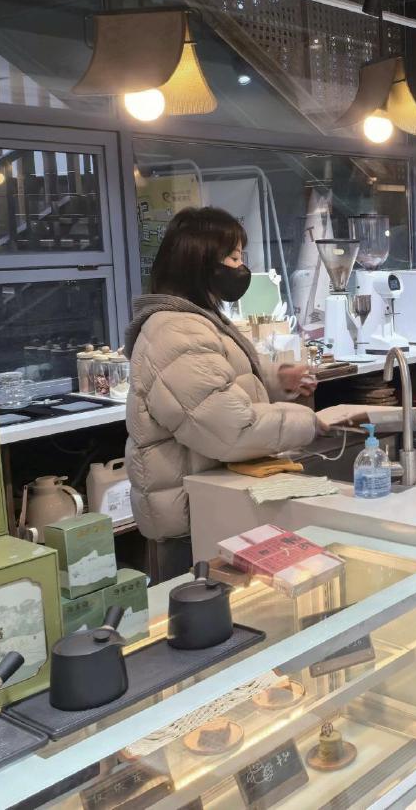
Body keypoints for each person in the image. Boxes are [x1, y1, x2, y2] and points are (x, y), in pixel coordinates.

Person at [125, 207, 321, 577]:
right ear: (200, 263)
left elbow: (219, 378)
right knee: (202, 607)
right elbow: (230, 429)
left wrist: (279, 379)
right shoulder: (174, 330)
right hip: (190, 522)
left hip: (212, 504)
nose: (241, 268)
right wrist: (312, 422)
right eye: (233, 257)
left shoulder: (198, 320)